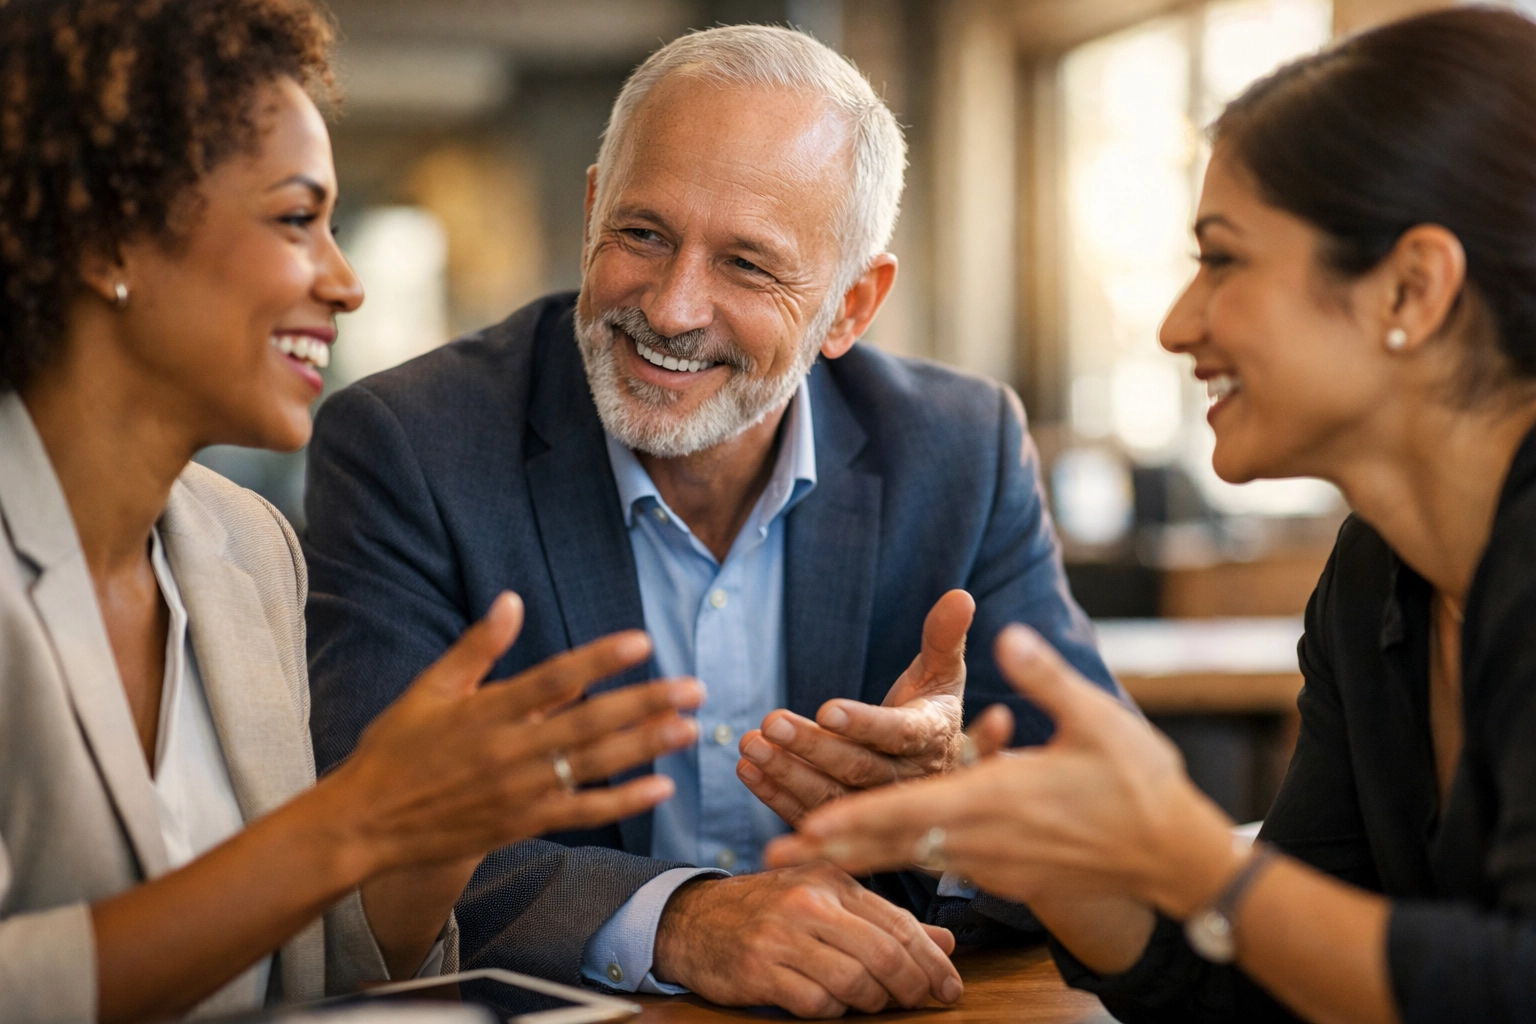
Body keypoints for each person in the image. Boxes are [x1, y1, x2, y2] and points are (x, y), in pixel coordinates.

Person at [302, 22, 1122, 1020]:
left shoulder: (960, 448)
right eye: (644, 233)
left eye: (746, 263)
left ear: (853, 305)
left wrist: (949, 815)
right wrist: (679, 919)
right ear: (595, 205)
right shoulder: (410, 444)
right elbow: (360, 847)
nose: (675, 306)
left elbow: (1114, 814)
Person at [764, 7, 1536, 1024]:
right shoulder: (1371, 581)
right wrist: (1036, 837)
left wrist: (1191, 861)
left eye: (1223, 260)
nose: (1178, 324)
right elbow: (1259, 979)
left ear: (1411, 286)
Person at [0, 2, 705, 1021]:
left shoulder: (245, 549)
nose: (346, 283)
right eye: (297, 219)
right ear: (107, 232)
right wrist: (352, 824)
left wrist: (433, 834)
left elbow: (328, 979)